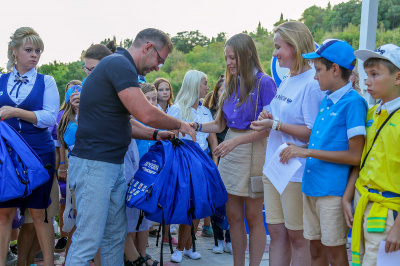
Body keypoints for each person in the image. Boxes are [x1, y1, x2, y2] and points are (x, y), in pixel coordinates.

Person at [65, 28, 195, 266]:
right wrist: (181, 124)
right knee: (88, 241)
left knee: (114, 237)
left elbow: (126, 123)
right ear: (147, 47)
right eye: (159, 59)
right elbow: (146, 112)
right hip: (95, 165)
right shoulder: (119, 64)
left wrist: (157, 134)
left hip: (110, 165)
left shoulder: (119, 67)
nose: (158, 67)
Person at [277, 39, 367, 265]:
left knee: (335, 255)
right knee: (315, 252)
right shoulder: (327, 100)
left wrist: (307, 153)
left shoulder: (354, 103)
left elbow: (356, 155)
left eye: (318, 70)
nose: (315, 76)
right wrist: (303, 149)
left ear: (335, 70)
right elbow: (326, 145)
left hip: (332, 192)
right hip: (312, 187)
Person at [193, 33, 276, 266]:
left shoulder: (265, 83)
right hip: (230, 150)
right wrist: (195, 125)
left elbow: (268, 129)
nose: (229, 62)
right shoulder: (230, 83)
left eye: (233, 57)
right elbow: (220, 124)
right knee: (233, 216)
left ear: (248, 54)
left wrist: (234, 142)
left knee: (253, 216)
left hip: (254, 149)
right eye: (226, 58)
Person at [250, 21, 324, 266]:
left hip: (296, 171)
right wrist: (268, 118)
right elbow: (281, 118)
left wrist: (276, 125)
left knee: (297, 237)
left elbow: (314, 133)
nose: (274, 53)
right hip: (275, 167)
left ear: (295, 46)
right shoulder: (289, 78)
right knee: (277, 234)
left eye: (278, 47)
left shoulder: (313, 83)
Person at [0, 27, 59, 266]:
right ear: (15, 52)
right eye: (28, 50)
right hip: (6, 157)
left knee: (39, 213)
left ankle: (48, 262)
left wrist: (15, 112)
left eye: (38, 51)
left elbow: (49, 117)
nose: (34, 55)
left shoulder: (47, 81)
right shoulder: (1, 81)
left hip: (39, 153)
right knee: (4, 214)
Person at [342, 44, 400, 266]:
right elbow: (361, 160)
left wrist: (398, 227)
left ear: (398, 78)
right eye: (367, 75)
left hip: (389, 212)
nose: (367, 81)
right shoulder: (370, 113)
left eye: (375, 74)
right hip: (362, 202)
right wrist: (348, 197)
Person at [166, 70, 218, 263]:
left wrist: (215, 162)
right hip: (184, 162)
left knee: (199, 205)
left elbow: (212, 138)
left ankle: (188, 246)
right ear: (195, 85)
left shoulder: (205, 111)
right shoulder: (177, 109)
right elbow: (170, 137)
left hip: (203, 161)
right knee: (186, 205)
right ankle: (180, 248)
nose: (207, 86)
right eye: (205, 83)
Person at [203, 75, 232, 254]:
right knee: (217, 201)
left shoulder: (237, 112)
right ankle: (217, 241)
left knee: (231, 201)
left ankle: (229, 239)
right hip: (217, 159)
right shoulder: (211, 114)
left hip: (234, 158)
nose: (224, 94)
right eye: (221, 90)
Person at [52, 80, 81, 253]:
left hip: (90, 171)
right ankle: (71, 258)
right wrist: (62, 165)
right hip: (76, 172)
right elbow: (66, 144)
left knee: (84, 221)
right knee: (78, 218)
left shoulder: (92, 115)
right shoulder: (67, 120)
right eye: (74, 96)